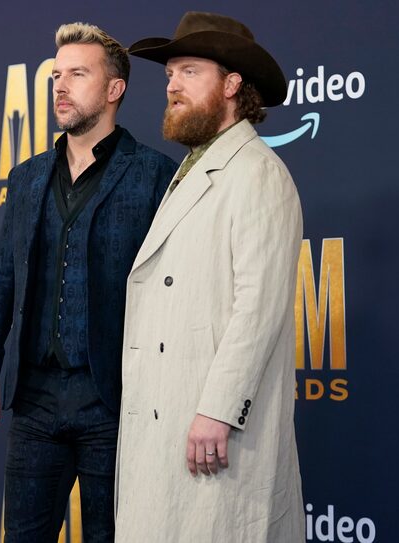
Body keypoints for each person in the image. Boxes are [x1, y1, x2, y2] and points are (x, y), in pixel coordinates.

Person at [0, 22, 177, 543]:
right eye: (56, 75)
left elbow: (173, 289)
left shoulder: (154, 175)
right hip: (33, 396)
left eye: (77, 74)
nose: (59, 86)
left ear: (114, 89)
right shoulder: (27, 177)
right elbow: (0, 275)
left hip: (114, 398)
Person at [114, 12, 305, 542]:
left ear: (232, 84)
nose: (171, 85)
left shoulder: (259, 173)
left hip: (211, 431)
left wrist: (218, 410)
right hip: (169, 419)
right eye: (170, 73)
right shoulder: (195, 166)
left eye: (189, 71)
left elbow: (259, 308)